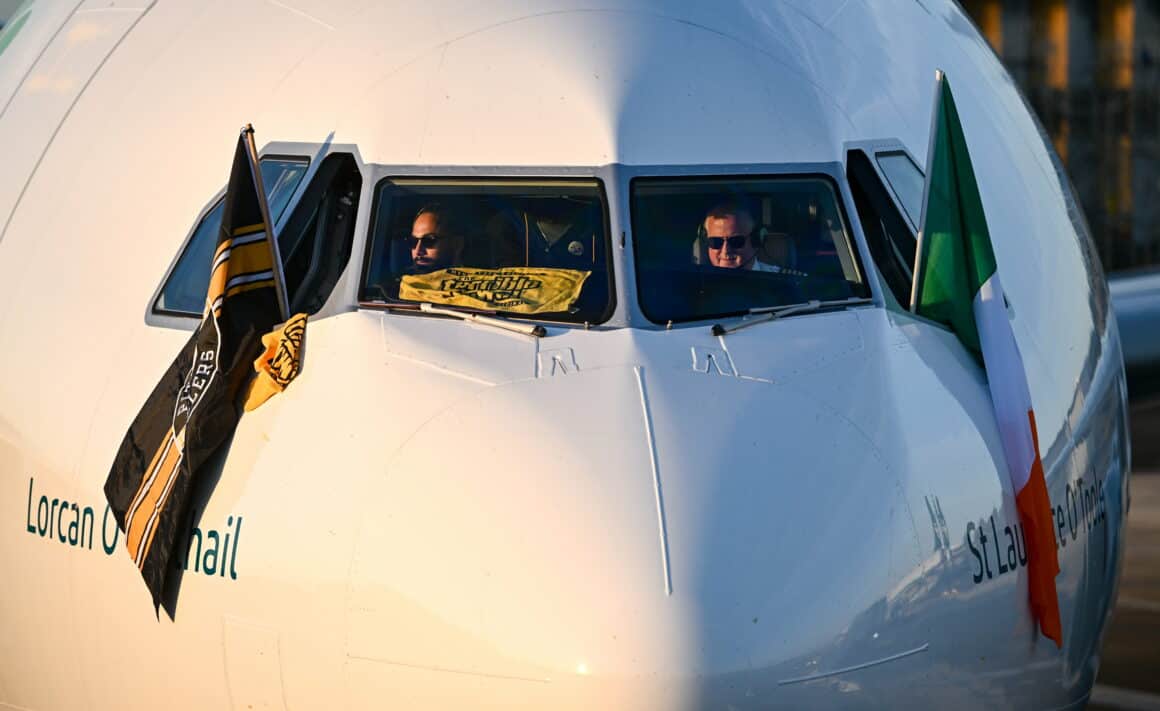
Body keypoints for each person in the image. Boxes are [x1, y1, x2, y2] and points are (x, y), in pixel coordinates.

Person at [701, 201, 782, 272]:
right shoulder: (697, 283)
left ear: (756, 241)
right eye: (716, 242)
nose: (725, 251)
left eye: (736, 241)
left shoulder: (781, 282)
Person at [407, 204, 465, 273]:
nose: (418, 251)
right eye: (413, 241)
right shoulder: (400, 281)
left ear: (457, 244)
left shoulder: (477, 280)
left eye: (429, 241)